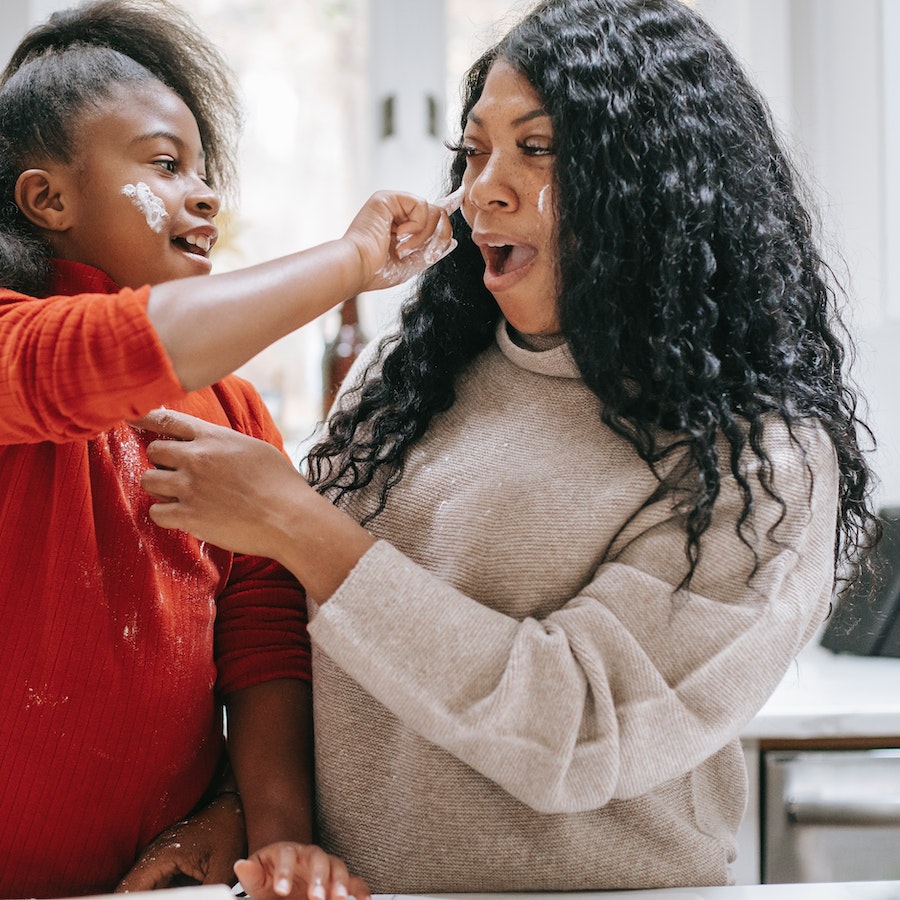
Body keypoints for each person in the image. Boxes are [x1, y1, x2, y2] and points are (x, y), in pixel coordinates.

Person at [137, 0, 880, 895]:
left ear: (650, 182)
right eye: (475, 149)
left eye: (536, 150)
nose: (485, 187)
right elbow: (300, 645)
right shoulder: (412, 376)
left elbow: (581, 727)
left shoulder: (761, 459)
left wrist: (300, 526)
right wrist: (243, 808)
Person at [0, 0, 452, 896]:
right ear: (48, 199)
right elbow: (122, 347)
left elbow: (263, 643)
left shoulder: (235, 408)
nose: (204, 195)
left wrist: (273, 842)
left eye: (205, 171)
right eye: (164, 166)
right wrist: (355, 257)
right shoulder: (16, 347)